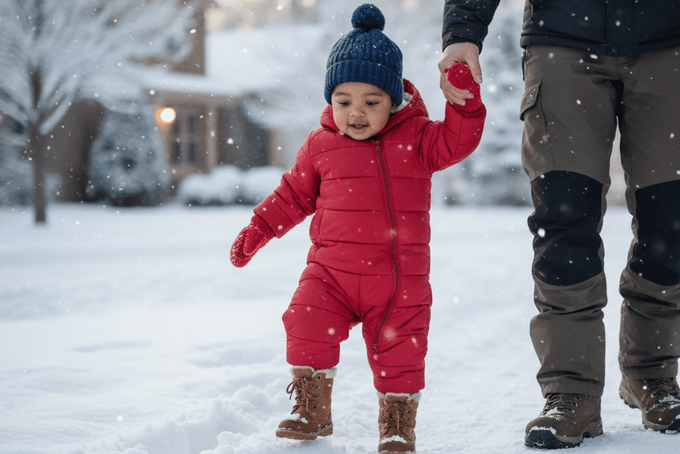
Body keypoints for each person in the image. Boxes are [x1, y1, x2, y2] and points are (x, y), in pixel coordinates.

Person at [229, 3, 485, 452]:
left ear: (394, 100)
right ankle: (312, 409)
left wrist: (463, 103)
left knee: (401, 352)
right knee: (304, 319)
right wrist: (259, 229)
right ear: (330, 100)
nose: (357, 113)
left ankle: (397, 421)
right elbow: (291, 195)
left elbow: (457, 141)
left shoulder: (418, 137)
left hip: (398, 281)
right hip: (331, 275)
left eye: (372, 101)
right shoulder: (320, 145)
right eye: (344, 101)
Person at [438, 0, 680, 449]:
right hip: (564, 40)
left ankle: (653, 374)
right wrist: (462, 33)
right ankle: (572, 391)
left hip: (669, 42)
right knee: (564, 222)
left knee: (672, 224)